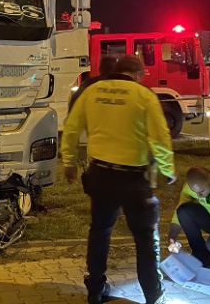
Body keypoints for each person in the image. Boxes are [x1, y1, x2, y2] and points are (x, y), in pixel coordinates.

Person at [61, 55, 176, 304]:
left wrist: (69, 162)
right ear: (137, 73)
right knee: (145, 238)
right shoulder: (144, 95)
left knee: (100, 232)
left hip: (100, 175)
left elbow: (71, 128)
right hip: (135, 179)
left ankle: (95, 289)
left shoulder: (92, 91)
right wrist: (168, 169)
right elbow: (160, 137)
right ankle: (153, 294)